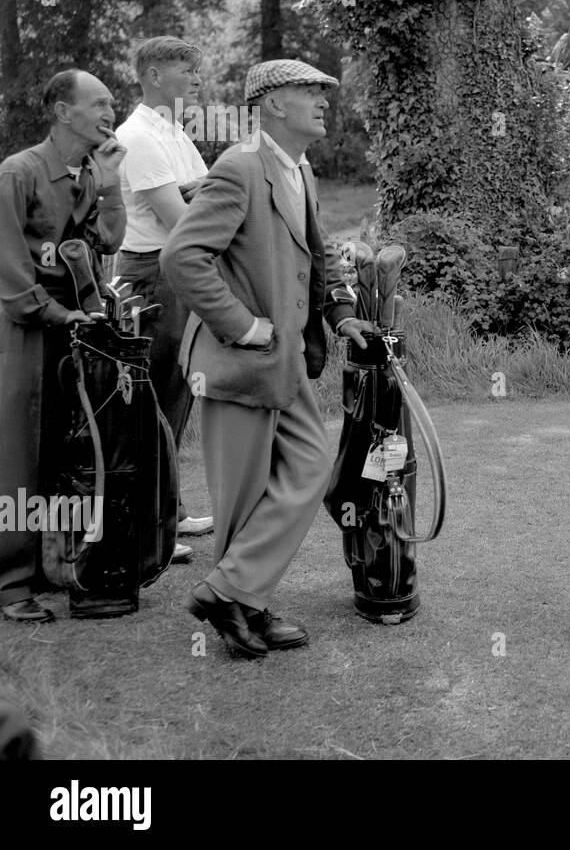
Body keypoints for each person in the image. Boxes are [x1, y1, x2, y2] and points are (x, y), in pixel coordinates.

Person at [161, 59, 374, 658]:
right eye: (312, 91)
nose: (324, 101)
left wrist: (341, 313)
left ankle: (229, 592)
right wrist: (243, 325)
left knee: (309, 467)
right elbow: (183, 257)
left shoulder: (297, 168)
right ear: (274, 103)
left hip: (283, 364)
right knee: (243, 493)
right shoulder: (240, 167)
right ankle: (240, 611)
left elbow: (320, 251)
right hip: (239, 363)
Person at [0, 70, 127, 623]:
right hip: (21, 328)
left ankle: (51, 565)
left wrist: (112, 184)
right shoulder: (19, 172)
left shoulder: (92, 174)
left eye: (112, 104)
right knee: (16, 455)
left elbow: (109, 242)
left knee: (61, 447)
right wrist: (53, 311)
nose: (109, 112)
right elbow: (6, 270)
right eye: (98, 104)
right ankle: (9, 587)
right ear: (60, 110)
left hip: (69, 326)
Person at [114, 36, 215, 561]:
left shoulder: (174, 131)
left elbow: (205, 191)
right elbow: (182, 220)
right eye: (187, 70)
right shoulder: (139, 137)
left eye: (198, 72)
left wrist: (197, 195)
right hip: (154, 275)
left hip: (175, 271)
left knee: (178, 392)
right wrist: (197, 196)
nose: (198, 80)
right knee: (153, 399)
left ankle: (168, 512)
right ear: (154, 75)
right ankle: (148, 527)